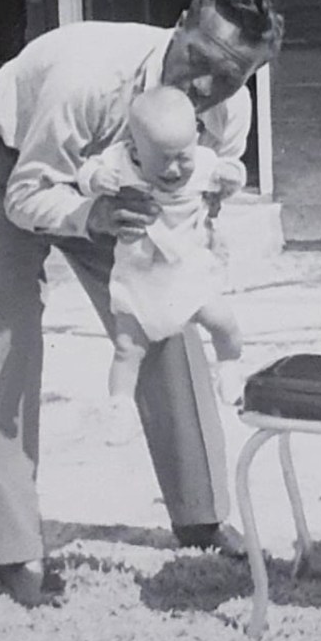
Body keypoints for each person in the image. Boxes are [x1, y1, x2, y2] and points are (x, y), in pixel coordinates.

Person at [0, 0, 284, 607]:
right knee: (12, 338)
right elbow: (30, 193)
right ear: (179, 25)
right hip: (13, 166)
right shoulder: (88, 76)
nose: (205, 88)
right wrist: (89, 217)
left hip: (124, 198)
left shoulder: (226, 111)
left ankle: (202, 512)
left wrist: (181, 261)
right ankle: (13, 547)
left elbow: (195, 214)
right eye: (199, 62)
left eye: (231, 76)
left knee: (163, 319)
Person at [76, 85, 245, 443]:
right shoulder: (119, 162)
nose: (173, 169)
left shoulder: (202, 162)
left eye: (181, 157)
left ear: (196, 139)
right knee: (127, 348)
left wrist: (232, 179)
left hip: (187, 271)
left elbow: (232, 171)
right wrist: (94, 179)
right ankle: (120, 408)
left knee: (225, 323)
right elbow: (87, 172)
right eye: (161, 159)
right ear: (135, 150)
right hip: (140, 275)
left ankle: (229, 367)